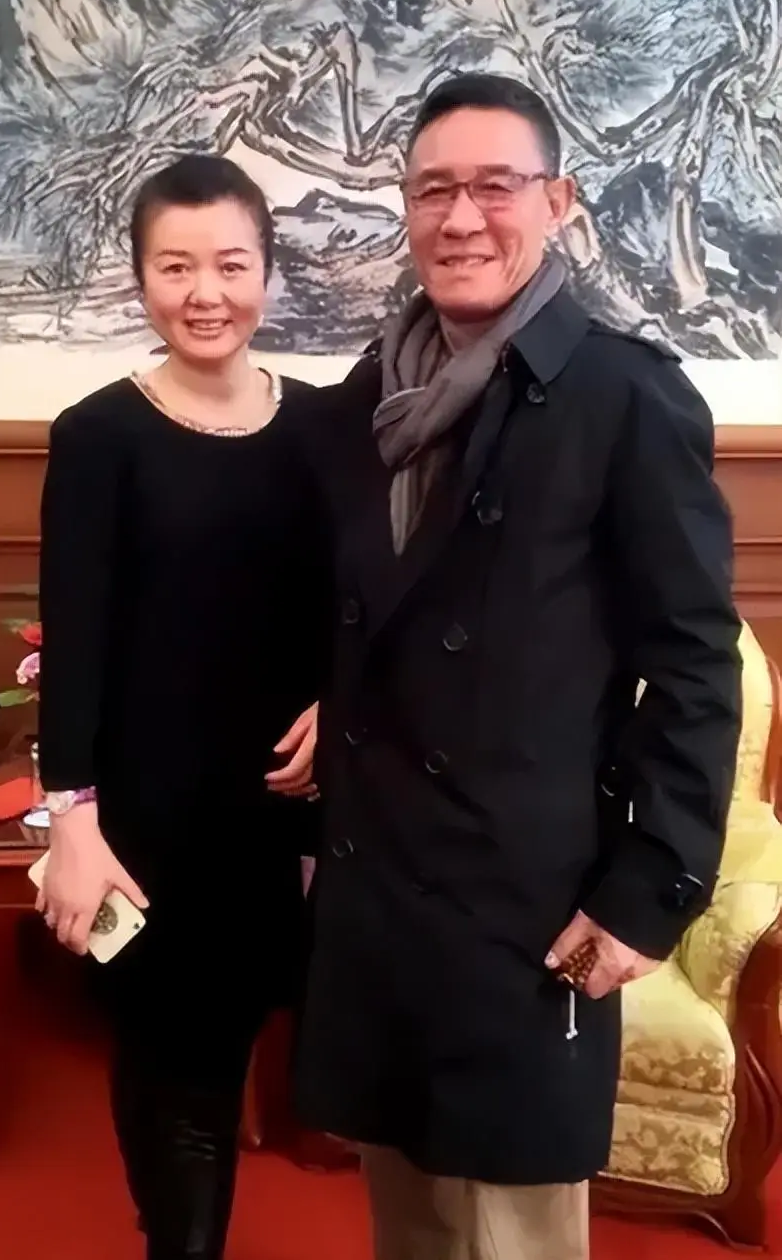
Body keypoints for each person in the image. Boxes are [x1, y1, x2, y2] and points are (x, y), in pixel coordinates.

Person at [291, 74, 743, 1260]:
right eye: (433, 189)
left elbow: (694, 664)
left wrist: (648, 892)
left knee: (513, 1227)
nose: (461, 218)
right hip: (381, 885)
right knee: (410, 1222)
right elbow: (353, 618)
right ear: (405, 208)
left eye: (496, 186)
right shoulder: (366, 399)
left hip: (526, 897)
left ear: (559, 200)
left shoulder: (624, 394)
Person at [36, 154, 327, 1260]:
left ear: (269, 272)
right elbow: (75, 642)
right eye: (176, 266)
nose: (206, 293)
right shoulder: (98, 435)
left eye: (232, 264)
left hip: (276, 815)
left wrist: (340, 701)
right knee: (169, 1060)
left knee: (223, 1047)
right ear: (140, 278)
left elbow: (359, 605)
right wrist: (70, 824)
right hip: (143, 820)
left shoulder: (323, 428)